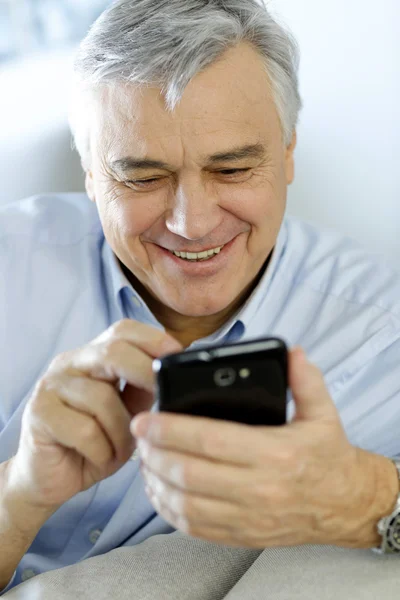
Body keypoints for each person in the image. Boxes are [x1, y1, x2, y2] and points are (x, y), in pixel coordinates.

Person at [1, 0, 400, 596]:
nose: (191, 223)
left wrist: (365, 496)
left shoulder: (379, 335)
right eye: (142, 176)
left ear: (288, 152)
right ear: (89, 172)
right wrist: (19, 494)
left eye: (233, 169)